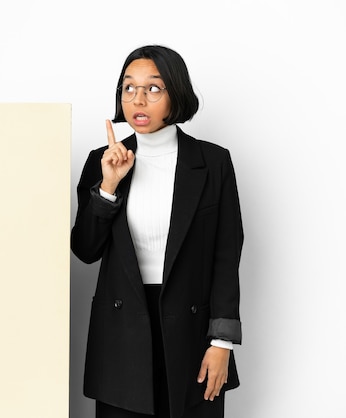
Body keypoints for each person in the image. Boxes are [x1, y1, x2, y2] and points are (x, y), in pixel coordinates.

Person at [71, 45, 243, 418]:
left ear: (175, 94)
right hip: (121, 333)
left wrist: (222, 341)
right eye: (128, 88)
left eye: (153, 88)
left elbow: (226, 255)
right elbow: (85, 249)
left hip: (192, 332)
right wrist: (108, 188)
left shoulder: (213, 162)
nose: (138, 99)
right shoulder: (103, 161)